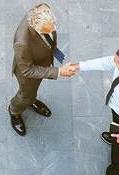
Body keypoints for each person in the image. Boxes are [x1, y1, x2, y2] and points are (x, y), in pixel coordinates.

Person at [70, 47, 119, 175]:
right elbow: (106, 62)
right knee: (116, 131)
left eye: (115, 62)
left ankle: (116, 169)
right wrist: (80, 66)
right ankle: (116, 138)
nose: (112, 61)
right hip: (118, 108)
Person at [8, 3, 75, 136]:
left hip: (41, 61)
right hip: (28, 74)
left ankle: (32, 101)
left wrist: (56, 53)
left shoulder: (42, 12)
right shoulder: (22, 43)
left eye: (53, 25)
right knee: (25, 94)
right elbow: (27, 70)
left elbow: (48, 39)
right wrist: (59, 72)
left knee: (33, 91)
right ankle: (14, 110)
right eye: (48, 30)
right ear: (36, 26)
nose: (53, 29)